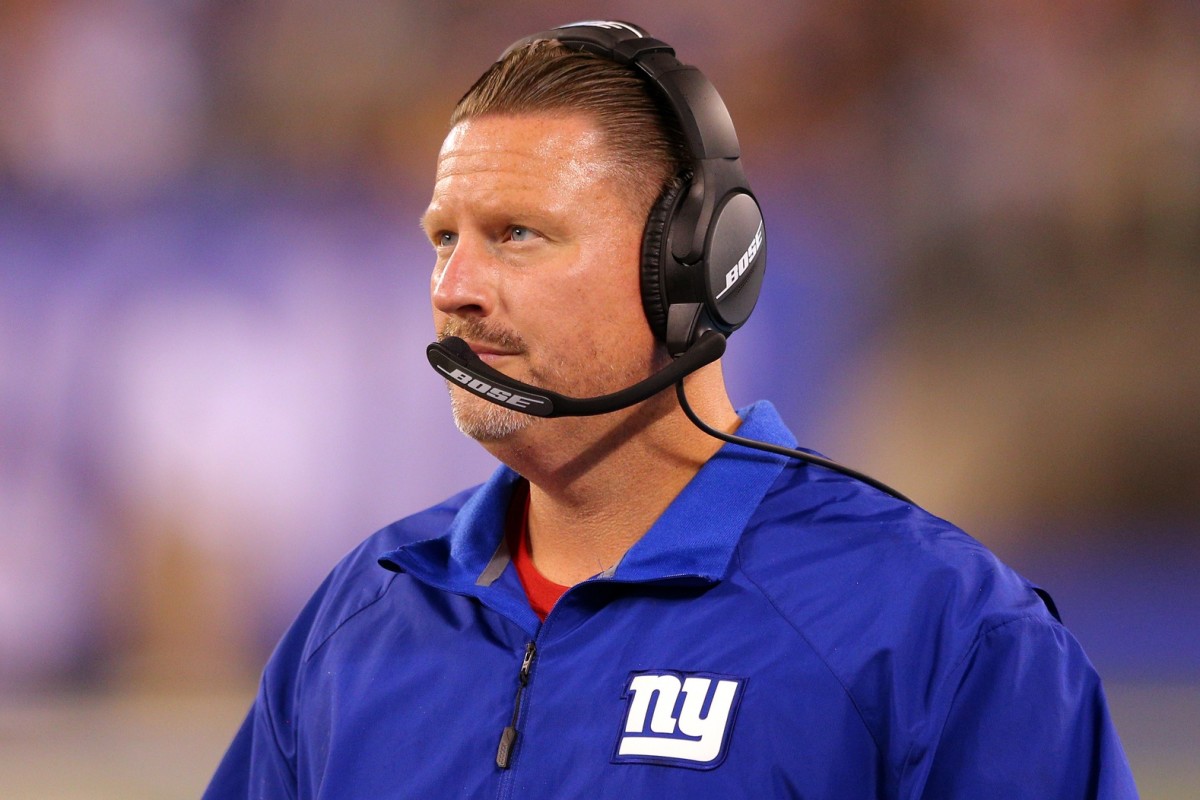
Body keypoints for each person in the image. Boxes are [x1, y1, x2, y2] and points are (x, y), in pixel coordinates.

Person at [204, 21, 1138, 799]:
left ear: (689, 269)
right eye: (444, 238)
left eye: (517, 235)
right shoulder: (362, 617)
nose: (455, 289)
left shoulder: (933, 625)